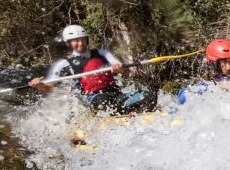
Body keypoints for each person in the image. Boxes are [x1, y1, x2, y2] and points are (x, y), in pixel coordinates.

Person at [29, 25, 157, 115]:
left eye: (83, 39)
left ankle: (132, 113)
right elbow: (49, 88)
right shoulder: (64, 64)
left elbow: (124, 70)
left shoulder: (101, 53)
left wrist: (119, 69)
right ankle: (108, 116)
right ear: (68, 43)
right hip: (95, 98)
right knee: (102, 101)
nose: (80, 43)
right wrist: (39, 86)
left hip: (116, 94)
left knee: (148, 95)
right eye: (76, 41)